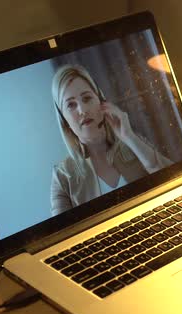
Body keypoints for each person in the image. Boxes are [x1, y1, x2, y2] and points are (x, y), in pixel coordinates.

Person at [50, 64, 172, 216]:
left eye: (87, 98)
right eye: (71, 105)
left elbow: (175, 180)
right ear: (64, 119)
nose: (82, 110)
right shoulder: (62, 177)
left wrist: (130, 137)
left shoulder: (132, 142)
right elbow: (60, 235)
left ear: (101, 101)